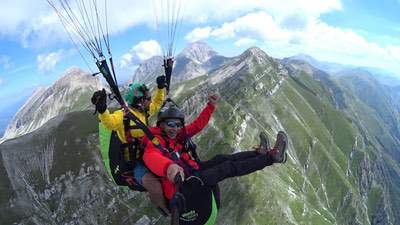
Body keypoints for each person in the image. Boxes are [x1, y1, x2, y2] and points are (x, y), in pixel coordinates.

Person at [142, 92, 288, 224]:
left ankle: (260, 154)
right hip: (183, 187)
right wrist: (169, 168)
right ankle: (272, 158)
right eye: (170, 124)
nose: (175, 128)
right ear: (160, 124)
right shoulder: (155, 140)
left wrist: (210, 105)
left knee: (222, 158)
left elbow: (197, 125)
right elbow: (151, 156)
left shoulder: (176, 136)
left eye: (178, 125)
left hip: (193, 173)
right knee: (226, 168)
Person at [91, 75, 169, 214]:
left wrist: (160, 88)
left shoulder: (143, 112)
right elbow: (109, 122)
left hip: (149, 154)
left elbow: (157, 103)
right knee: (154, 184)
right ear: (139, 101)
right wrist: (102, 110)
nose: (150, 101)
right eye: (147, 98)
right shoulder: (123, 116)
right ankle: (166, 210)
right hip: (135, 162)